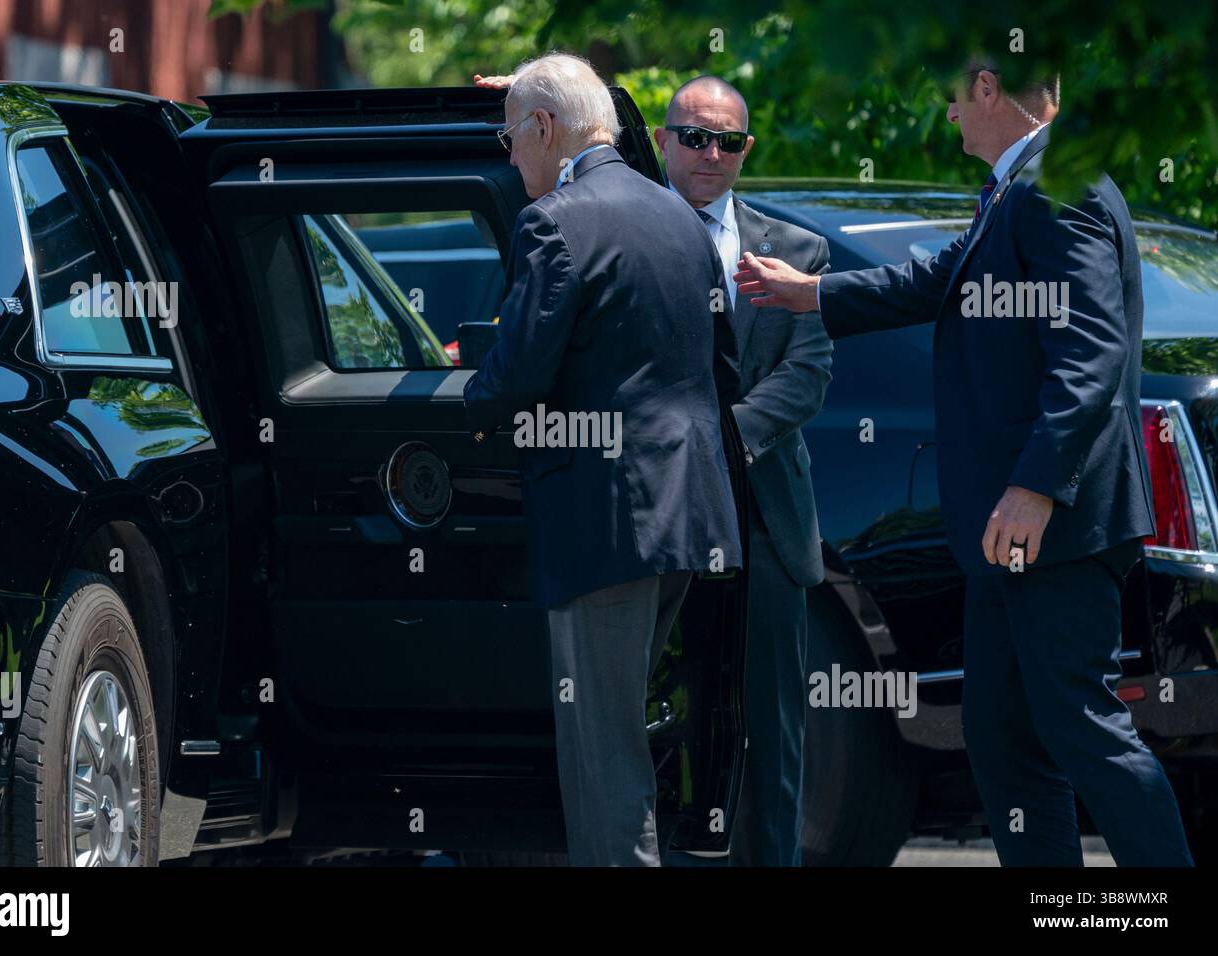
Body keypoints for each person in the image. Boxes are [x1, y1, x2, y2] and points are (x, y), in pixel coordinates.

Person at [734, 57, 1194, 866]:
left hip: (1053, 527)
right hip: (1005, 536)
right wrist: (813, 294)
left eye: (953, 97)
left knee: (1083, 731)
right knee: (1004, 738)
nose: (948, 116)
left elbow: (1089, 355)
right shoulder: (1022, 187)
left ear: (988, 88)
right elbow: (941, 279)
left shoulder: (1061, 186)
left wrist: (1033, 487)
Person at [464, 53, 742, 866]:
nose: (511, 159)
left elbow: (518, 376)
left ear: (545, 129)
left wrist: (468, 396)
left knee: (603, 753)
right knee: (620, 729)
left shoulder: (555, 220)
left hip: (604, 522)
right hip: (686, 513)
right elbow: (712, 366)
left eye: (512, 138)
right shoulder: (679, 216)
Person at [656, 75, 832, 866]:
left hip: (766, 514)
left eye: (727, 141)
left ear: (746, 149)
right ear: (663, 140)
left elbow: (808, 373)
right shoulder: (628, 235)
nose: (710, 154)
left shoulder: (798, 252)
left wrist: (724, 440)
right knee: (675, 715)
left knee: (775, 724)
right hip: (664, 516)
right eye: (694, 136)